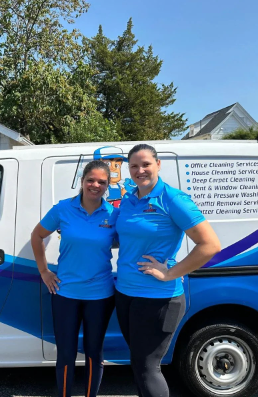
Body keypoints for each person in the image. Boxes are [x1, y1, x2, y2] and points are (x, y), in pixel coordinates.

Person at [115, 144, 221, 397]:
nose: (140, 170)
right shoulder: (129, 199)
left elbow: (210, 245)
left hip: (158, 298)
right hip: (126, 293)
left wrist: (170, 273)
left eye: (146, 164)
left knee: (147, 367)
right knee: (138, 363)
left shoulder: (173, 199)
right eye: (134, 166)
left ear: (158, 164)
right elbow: (126, 237)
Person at [31, 160, 119, 397]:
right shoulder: (63, 209)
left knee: (94, 354)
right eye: (91, 180)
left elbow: (134, 241)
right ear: (82, 181)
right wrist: (44, 271)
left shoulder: (113, 214)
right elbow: (37, 236)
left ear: (107, 185)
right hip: (65, 294)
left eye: (102, 182)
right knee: (66, 354)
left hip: (100, 295)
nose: (95, 185)